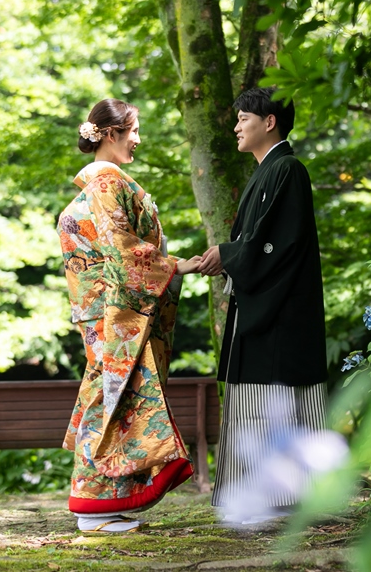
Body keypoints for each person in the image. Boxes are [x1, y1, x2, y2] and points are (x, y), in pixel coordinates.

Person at [57, 98, 202, 534]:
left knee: (113, 397)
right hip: (113, 309)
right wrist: (176, 265)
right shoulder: (106, 185)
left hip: (104, 307)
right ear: (110, 132)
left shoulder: (100, 185)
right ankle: (92, 508)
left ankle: (105, 504)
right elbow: (124, 249)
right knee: (112, 398)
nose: (138, 139)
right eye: (133, 130)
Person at [198, 87, 328, 520]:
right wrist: (232, 254)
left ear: (268, 122)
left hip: (280, 313)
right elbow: (258, 244)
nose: (236, 127)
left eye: (243, 119)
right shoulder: (269, 172)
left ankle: (280, 498)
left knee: (272, 398)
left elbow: (277, 244)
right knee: (261, 400)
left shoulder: (287, 169)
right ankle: (269, 497)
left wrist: (229, 254)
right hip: (265, 307)